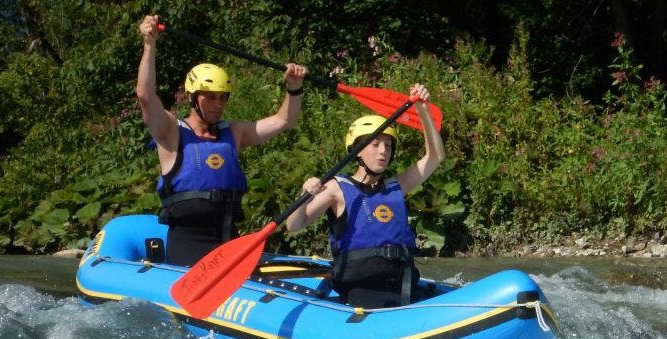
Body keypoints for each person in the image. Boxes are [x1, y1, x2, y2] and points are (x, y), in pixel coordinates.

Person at [135, 14, 308, 266]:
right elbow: (145, 95)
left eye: (222, 97)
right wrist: (149, 44)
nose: (218, 105)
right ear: (193, 98)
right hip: (187, 247)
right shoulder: (171, 132)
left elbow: (283, 121)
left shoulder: (235, 134)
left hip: (228, 243)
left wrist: (294, 88)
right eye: (210, 97)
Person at [286, 84, 444, 308]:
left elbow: (435, 156)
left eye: (388, 146)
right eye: (375, 144)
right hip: (361, 289)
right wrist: (304, 195)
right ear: (357, 151)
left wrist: (423, 111)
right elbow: (294, 225)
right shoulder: (336, 189)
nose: (383, 151)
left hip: (403, 285)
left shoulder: (396, 186)